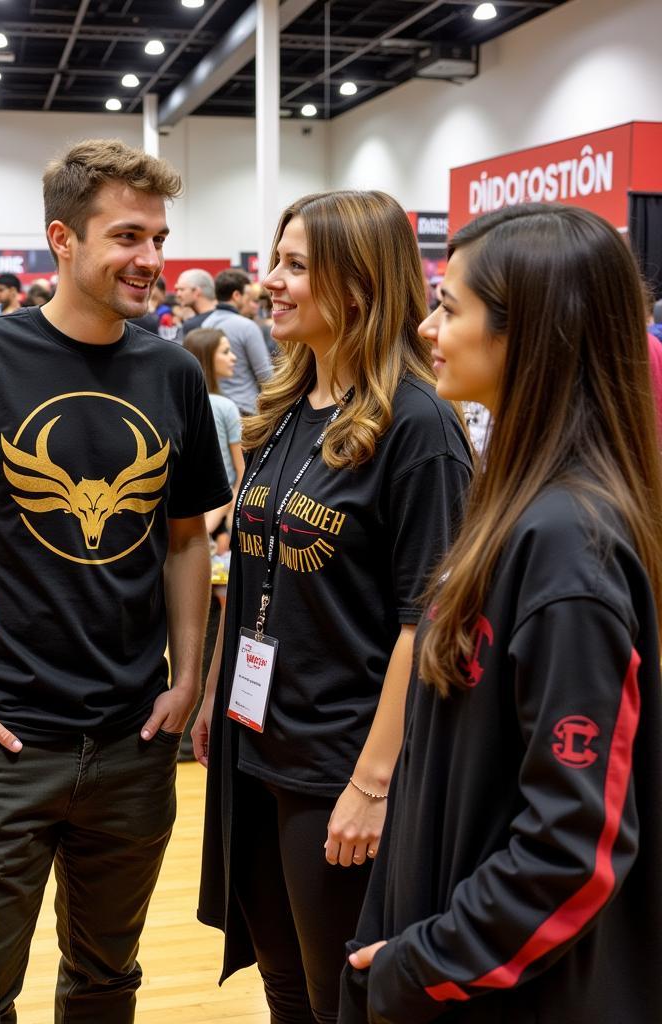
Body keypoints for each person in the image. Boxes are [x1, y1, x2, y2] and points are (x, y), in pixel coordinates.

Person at [0, 137, 231, 1024]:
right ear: (63, 240)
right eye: (127, 236)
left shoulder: (172, 375)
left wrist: (189, 677)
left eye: (159, 237)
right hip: (2, 741)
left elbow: (187, 538)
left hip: (132, 740)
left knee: (109, 978)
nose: (152, 259)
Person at [341, 203, 662, 1024]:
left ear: (533, 332)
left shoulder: (569, 545)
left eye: (449, 306)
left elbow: (574, 846)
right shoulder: (516, 501)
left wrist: (425, 962)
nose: (424, 326)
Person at [194, 190, 472, 1024]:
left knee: (340, 998)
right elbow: (245, 569)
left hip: (339, 764)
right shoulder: (283, 411)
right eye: (274, 260)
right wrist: (213, 694)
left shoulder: (418, 428)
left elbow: (425, 621)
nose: (269, 281)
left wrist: (374, 783)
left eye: (294, 265)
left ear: (358, 286)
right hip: (255, 746)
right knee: (281, 981)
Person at [182, 326, 245, 539]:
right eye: (226, 351)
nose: (233, 358)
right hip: (219, 512)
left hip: (189, 513)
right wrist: (226, 524)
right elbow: (241, 471)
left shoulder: (180, 401)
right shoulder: (224, 406)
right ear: (208, 356)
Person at [203, 268, 274, 415]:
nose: (249, 301)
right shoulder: (247, 327)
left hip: (214, 408)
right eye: (247, 295)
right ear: (236, 295)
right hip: (246, 410)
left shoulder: (206, 324)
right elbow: (265, 374)